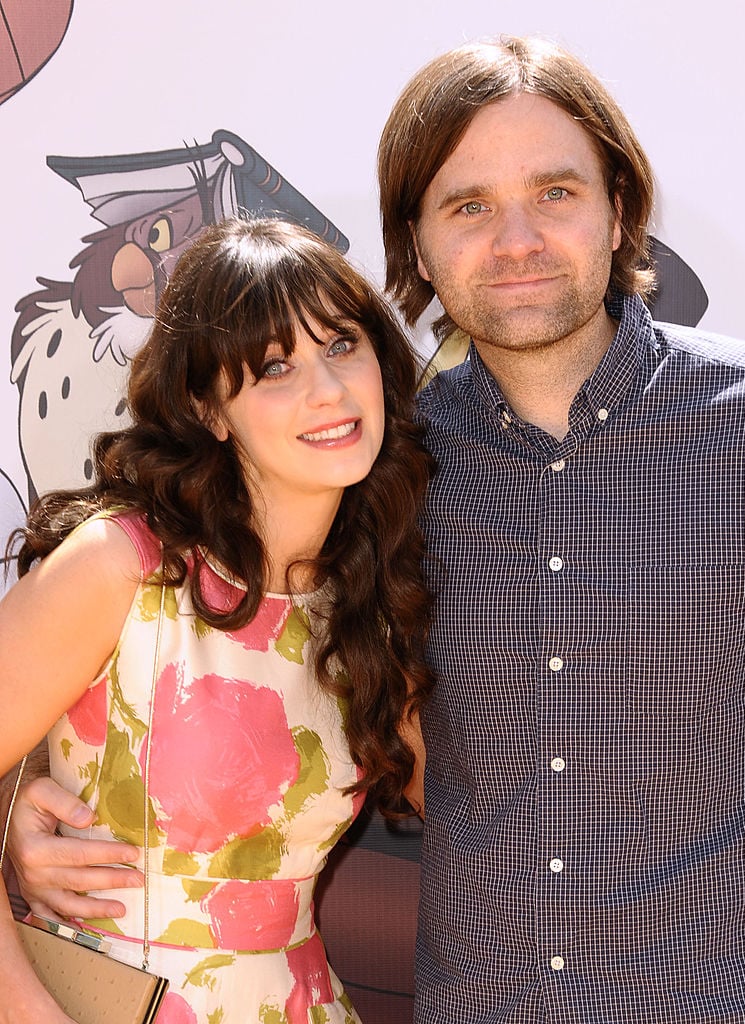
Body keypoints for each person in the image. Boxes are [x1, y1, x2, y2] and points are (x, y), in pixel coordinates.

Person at [8, 33, 745, 1024]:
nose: (516, 237)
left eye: (556, 193)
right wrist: (22, 797)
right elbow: (164, 671)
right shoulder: (380, 478)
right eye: (469, 205)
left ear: (621, 209)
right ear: (420, 246)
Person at [0, 215, 433, 1024]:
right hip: (95, 1001)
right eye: (274, 367)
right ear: (208, 409)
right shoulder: (124, 564)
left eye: (342, 344)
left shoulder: (373, 599)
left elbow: (470, 798)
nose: (329, 391)